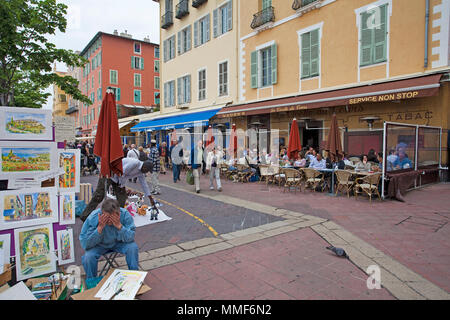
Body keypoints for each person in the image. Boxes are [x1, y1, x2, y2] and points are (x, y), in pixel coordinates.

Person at [80, 157, 157, 222]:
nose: (146, 173)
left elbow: (144, 184)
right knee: (98, 196)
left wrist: (150, 198)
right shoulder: (135, 163)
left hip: (118, 179)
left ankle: (115, 218)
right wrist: (122, 186)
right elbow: (121, 173)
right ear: (145, 167)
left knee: (122, 199)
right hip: (110, 174)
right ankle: (85, 216)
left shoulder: (141, 172)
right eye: (147, 171)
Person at [79, 198, 139, 279]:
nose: (110, 221)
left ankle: (135, 277)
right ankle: (91, 281)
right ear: (102, 212)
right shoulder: (94, 217)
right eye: (107, 217)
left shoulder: (125, 214)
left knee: (132, 248)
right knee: (88, 257)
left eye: (113, 216)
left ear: (118, 213)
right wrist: (99, 229)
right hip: (99, 245)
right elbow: (85, 244)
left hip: (118, 243)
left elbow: (130, 237)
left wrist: (120, 227)